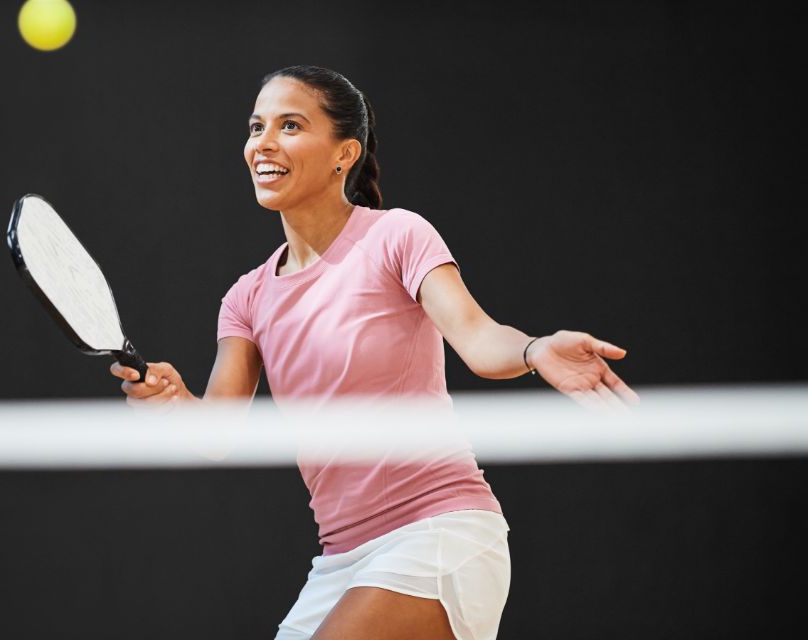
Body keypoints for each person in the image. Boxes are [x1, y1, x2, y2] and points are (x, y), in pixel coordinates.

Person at [110, 65, 638, 640]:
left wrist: (536, 348)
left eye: (290, 125)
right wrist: (173, 402)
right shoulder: (247, 298)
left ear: (345, 153)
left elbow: (480, 339)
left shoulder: (397, 237)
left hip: (439, 533)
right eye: (256, 126)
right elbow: (213, 434)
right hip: (342, 561)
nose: (263, 142)